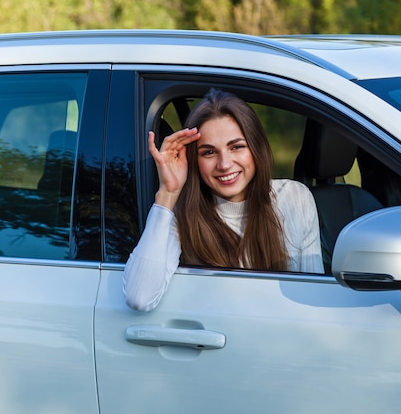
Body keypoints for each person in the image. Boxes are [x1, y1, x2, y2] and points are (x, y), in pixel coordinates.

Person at [123, 88, 323, 311]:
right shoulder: (181, 215)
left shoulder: (294, 198)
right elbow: (139, 297)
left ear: (256, 148)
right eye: (209, 152)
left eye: (236, 147)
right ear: (194, 160)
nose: (224, 164)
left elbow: (314, 301)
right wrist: (168, 193)